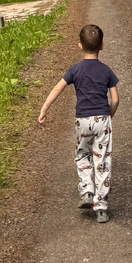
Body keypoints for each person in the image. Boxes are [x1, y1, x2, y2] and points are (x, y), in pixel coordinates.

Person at [38, 23, 119, 223]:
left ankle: (87, 191)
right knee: (102, 161)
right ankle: (101, 208)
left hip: (82, 120)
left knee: (82, 155)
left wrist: (44, 108)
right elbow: (115, 99)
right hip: (102, 119)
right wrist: (109, 115)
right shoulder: (106, 71)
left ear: (80, 46)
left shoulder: (75, 70)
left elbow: (57, 88)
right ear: (102, 45)